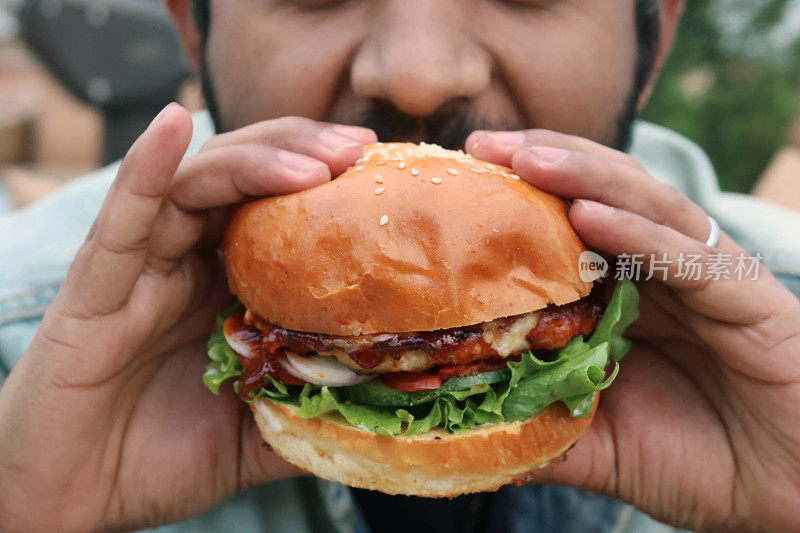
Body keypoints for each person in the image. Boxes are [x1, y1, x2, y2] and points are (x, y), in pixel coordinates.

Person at [1, 0, 800, 531]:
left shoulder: (779, 307)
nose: (419, 76)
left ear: (652, 34)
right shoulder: (24, 344)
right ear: (194, 27)